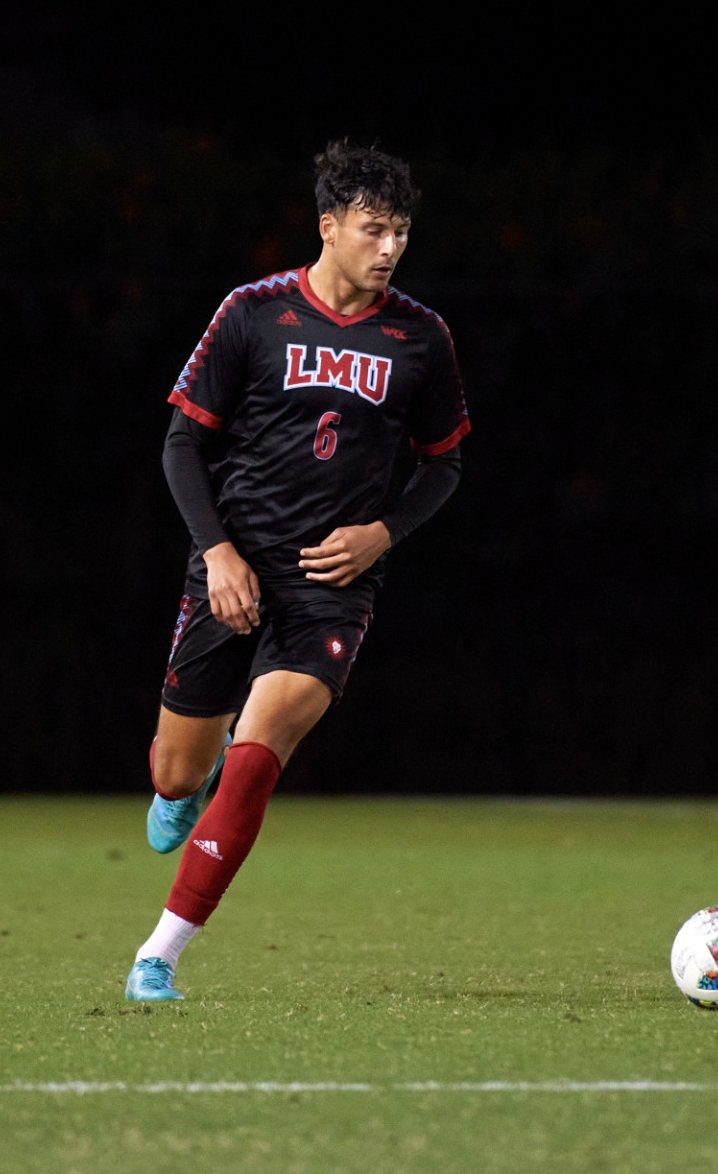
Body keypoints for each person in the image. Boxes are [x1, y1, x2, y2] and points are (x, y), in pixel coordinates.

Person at [123, 141, 470, 1001]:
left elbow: (445, 465)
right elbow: (181, 442)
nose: (389, 248)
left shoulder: (421, 337)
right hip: (233, 569)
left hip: (333, 586)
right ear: (329, 226)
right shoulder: (253, 312)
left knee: (259, 751)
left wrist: (383, 532)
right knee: (178, 772)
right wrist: (219, 553)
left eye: (401, 232)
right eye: (372, 229)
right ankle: (181, 781)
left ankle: (158, 953)